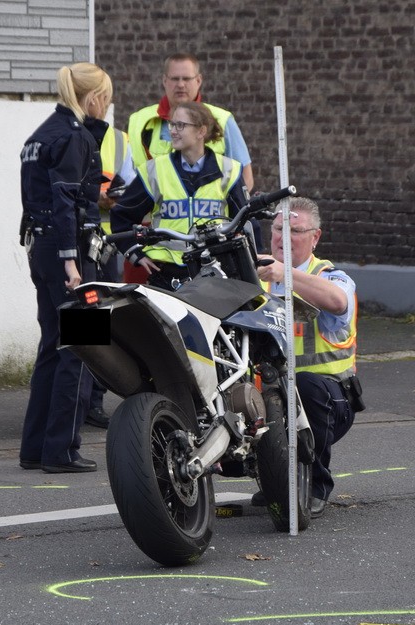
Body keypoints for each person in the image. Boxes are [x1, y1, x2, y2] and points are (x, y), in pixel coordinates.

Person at [18, 62, 112, 474]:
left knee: (52, 348)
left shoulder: (41, 135)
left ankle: (36, 447)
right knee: (83, 348)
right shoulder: (74, 138)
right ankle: (62, 450)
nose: (107, 108)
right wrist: (73, 263)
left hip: (42, 248)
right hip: (69, 252)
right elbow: (65, 202)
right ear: (93, 98)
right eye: (106, 99)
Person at [255, 197, 360, 518]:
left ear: (315, 237)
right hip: (266, 398)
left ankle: (316, 484)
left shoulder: (330, 275)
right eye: (277, 228)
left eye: (295, 231)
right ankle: (275, 482)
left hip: (329, 401)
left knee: (305, 383)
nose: (283, 237)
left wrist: (286, 274)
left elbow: (338, 301)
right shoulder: (254, 275)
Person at [110, 100, 252, 290]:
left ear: (201, 131)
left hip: (216, 272)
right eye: (172, 124)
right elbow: (121, 216)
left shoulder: (230, 170)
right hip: (167, 274)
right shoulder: (155, 170)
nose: (173, 131)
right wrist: (135, 254)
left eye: (180, 125)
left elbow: (244, 221)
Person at [121, 52, 254, 192]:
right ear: (164, 81)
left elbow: (245, 177)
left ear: (198, 81)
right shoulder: (138, 121)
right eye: (174, 79)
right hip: (154, 213)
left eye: (186, 78)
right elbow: (127, 174)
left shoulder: (222, 119)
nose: (180, 84)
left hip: (213, 212)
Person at [84, 121, 129, 430]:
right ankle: (80, 400)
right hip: (81, 243)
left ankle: (93, 399)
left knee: (107, 323)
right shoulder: (69, 134)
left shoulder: (119, 140)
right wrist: (93, 196)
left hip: (109, 246)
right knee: (84, 321)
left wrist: (118, 198)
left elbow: (135, 191)